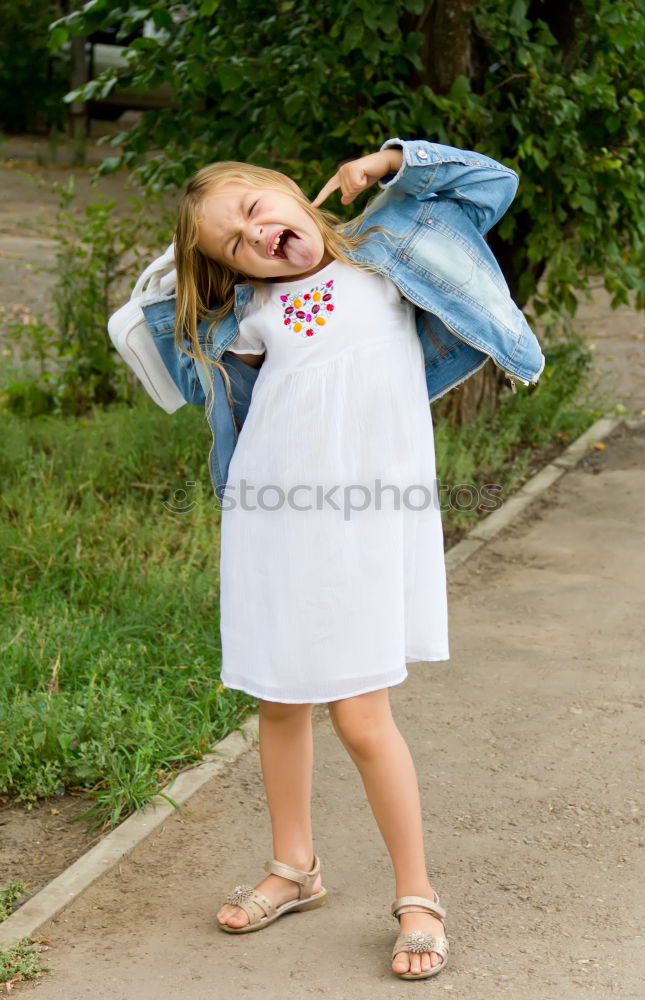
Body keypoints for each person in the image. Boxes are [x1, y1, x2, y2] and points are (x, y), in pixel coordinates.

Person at [141, 139, 545, 982]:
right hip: (271, 522)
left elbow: (492, 185)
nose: (255, 237)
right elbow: (154, 327)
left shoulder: (390, 250)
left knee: (362, 718)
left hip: (364, 522)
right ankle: (296, 868)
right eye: (231, 242)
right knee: (280, 702)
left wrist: (392, 161)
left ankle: (417, 896)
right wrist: (191, 249)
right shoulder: (243, 314)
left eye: (257, 210)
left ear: (293, 192)